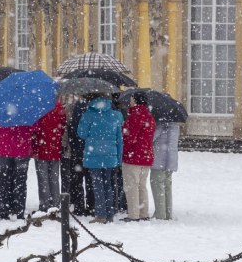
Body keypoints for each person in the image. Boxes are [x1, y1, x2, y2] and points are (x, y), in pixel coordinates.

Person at [76, 96, 124, 224]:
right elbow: (119, 139)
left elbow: (81, 133)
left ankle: (100, 214)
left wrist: (83, 121)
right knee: (108, 184)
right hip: (110, 155)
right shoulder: (115, 115)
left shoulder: (89, 114)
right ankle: (109, 213)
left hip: (94, 155)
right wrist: (119, 157)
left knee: (97, 185)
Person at [0, 117, 35, 220]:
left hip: (4, 148)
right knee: (21, 182)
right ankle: (19, 212)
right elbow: (35, 126)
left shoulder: (0, 106)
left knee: (4, 181)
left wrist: (1, 138)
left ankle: (4, 211)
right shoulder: (27, 107)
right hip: (22, 148)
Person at [121, 92, 156, 221]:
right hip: (146, 155)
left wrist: (124, 150)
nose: (130, 102)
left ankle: (133, 214)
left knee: (132, 186)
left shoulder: (135, 116)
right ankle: (143, 212)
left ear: (135, 101)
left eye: (131, 99)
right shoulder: (149, 116)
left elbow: (129, 137)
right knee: (141, 186)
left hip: (134, 156)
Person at [62, 95, 94, 215]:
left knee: (77, 180)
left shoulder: (78, 107)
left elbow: (74, 128)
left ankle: (79, 206)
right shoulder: (94, 108)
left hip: (78, 150)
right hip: (91, 150)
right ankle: (92, 206)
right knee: (90, 180)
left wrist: (73, 144)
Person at [32, 99, 66, 212]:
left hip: (41, 148)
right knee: (54, 177)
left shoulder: (38, 107)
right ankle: (55, 203)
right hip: (55, 147)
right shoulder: (59, 107)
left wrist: (34, 145)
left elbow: (34, 129)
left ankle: (44, 204)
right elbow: (62, 127)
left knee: (43, 179)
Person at [150, 121, 180, 220]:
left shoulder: (160, 126)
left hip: (159, 161)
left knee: (158, 187)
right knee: (167, 187)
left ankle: (160, 214)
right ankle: (168, 213)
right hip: (171, 161)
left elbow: (150, 139)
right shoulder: (175, 126)